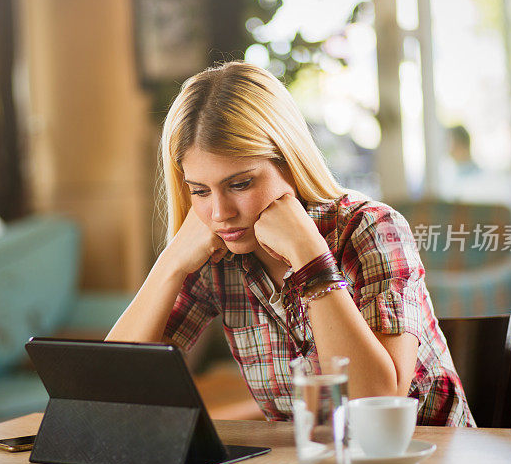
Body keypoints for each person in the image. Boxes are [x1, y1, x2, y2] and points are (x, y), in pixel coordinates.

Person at [107, 61, 474, 426]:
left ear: (289, 162)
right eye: (200, 191)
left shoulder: (372, 228)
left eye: (240, 184)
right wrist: (170, 263)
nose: (220, 213)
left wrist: (310, 257)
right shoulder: (217, 252)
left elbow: (377, 404)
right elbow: (110, 389)